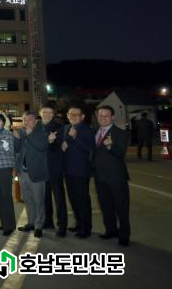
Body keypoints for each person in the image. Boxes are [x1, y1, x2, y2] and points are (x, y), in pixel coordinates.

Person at [92, 105, 131, 246]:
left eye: (106, 115)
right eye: (100, 115)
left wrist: (110, 146)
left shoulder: (121, 133)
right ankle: (110, 230)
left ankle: (124, 235)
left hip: (116, 177)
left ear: (112, 117)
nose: (103, 118)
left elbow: (121, 153)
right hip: (100, 177)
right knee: (105, 206)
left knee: (121, 208)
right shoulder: (95, 131)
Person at [14, 111, 48, 238]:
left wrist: (30, 135)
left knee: (38, 200)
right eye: (24, 119)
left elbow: (42, 147)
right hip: (22, 172)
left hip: (36, 172)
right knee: (27, 199)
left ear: (36, 121)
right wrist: (17, 139)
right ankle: (31, 223)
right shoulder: (21, 132)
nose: (26, 122)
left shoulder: (42, 132)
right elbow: (16, 150)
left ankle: (39, 226)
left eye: (29, 119)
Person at [62, 106, 94, 238]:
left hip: (81, 170)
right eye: (71, 114)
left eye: (77, 114)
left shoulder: (88, 129)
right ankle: (78, 223)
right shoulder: (65, 128)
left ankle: (86, 228)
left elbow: (89, 148)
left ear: (82, 116)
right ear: (67, 115)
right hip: (68, 169)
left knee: (82, 200)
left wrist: (75, 137)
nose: (73, 116)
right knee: (73, 199)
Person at [40, 105, 67, 237]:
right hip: (42, 168)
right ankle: (48, 221)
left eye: (50, 112)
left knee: (59, 198)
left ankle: (62, 225)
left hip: (54, 167)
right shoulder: (37, 126)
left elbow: (59, 147)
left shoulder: (58, 127)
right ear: (40, 113)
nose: (48, 114)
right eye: (45, 112)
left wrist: (51, 142)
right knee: (45, 198)